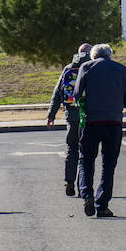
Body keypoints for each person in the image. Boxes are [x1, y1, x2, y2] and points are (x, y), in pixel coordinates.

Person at [75, 43, 126, 218]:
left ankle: (86, 194)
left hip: (91, 122)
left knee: (86, 159)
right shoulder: (121, 69)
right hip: (113, 122)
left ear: (93, 56)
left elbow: (77, 94)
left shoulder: (86, 67)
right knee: (108, 165)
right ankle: (102, 205)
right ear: (109, 55)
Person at [46, 42, 91, 196]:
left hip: (71, 116)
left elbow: (57, 93)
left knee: (72, 149)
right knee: (85, 152)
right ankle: (83, 186)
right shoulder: (92, 67)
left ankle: (69, 182)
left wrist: (51, 115)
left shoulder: (68, 68)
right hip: (87, 115)